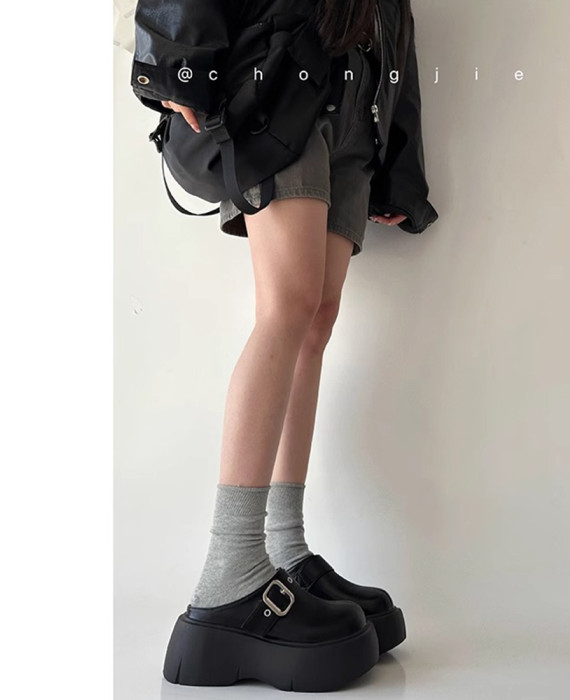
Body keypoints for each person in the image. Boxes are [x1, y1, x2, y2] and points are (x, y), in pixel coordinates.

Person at [130, 0, 438, 691]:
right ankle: (229, 575)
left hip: (355, 97)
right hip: (277, 79)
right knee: (287, 309)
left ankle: (285, 552)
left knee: (315, 319)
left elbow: (394, 17)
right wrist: (177, 65)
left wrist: (401, 163)